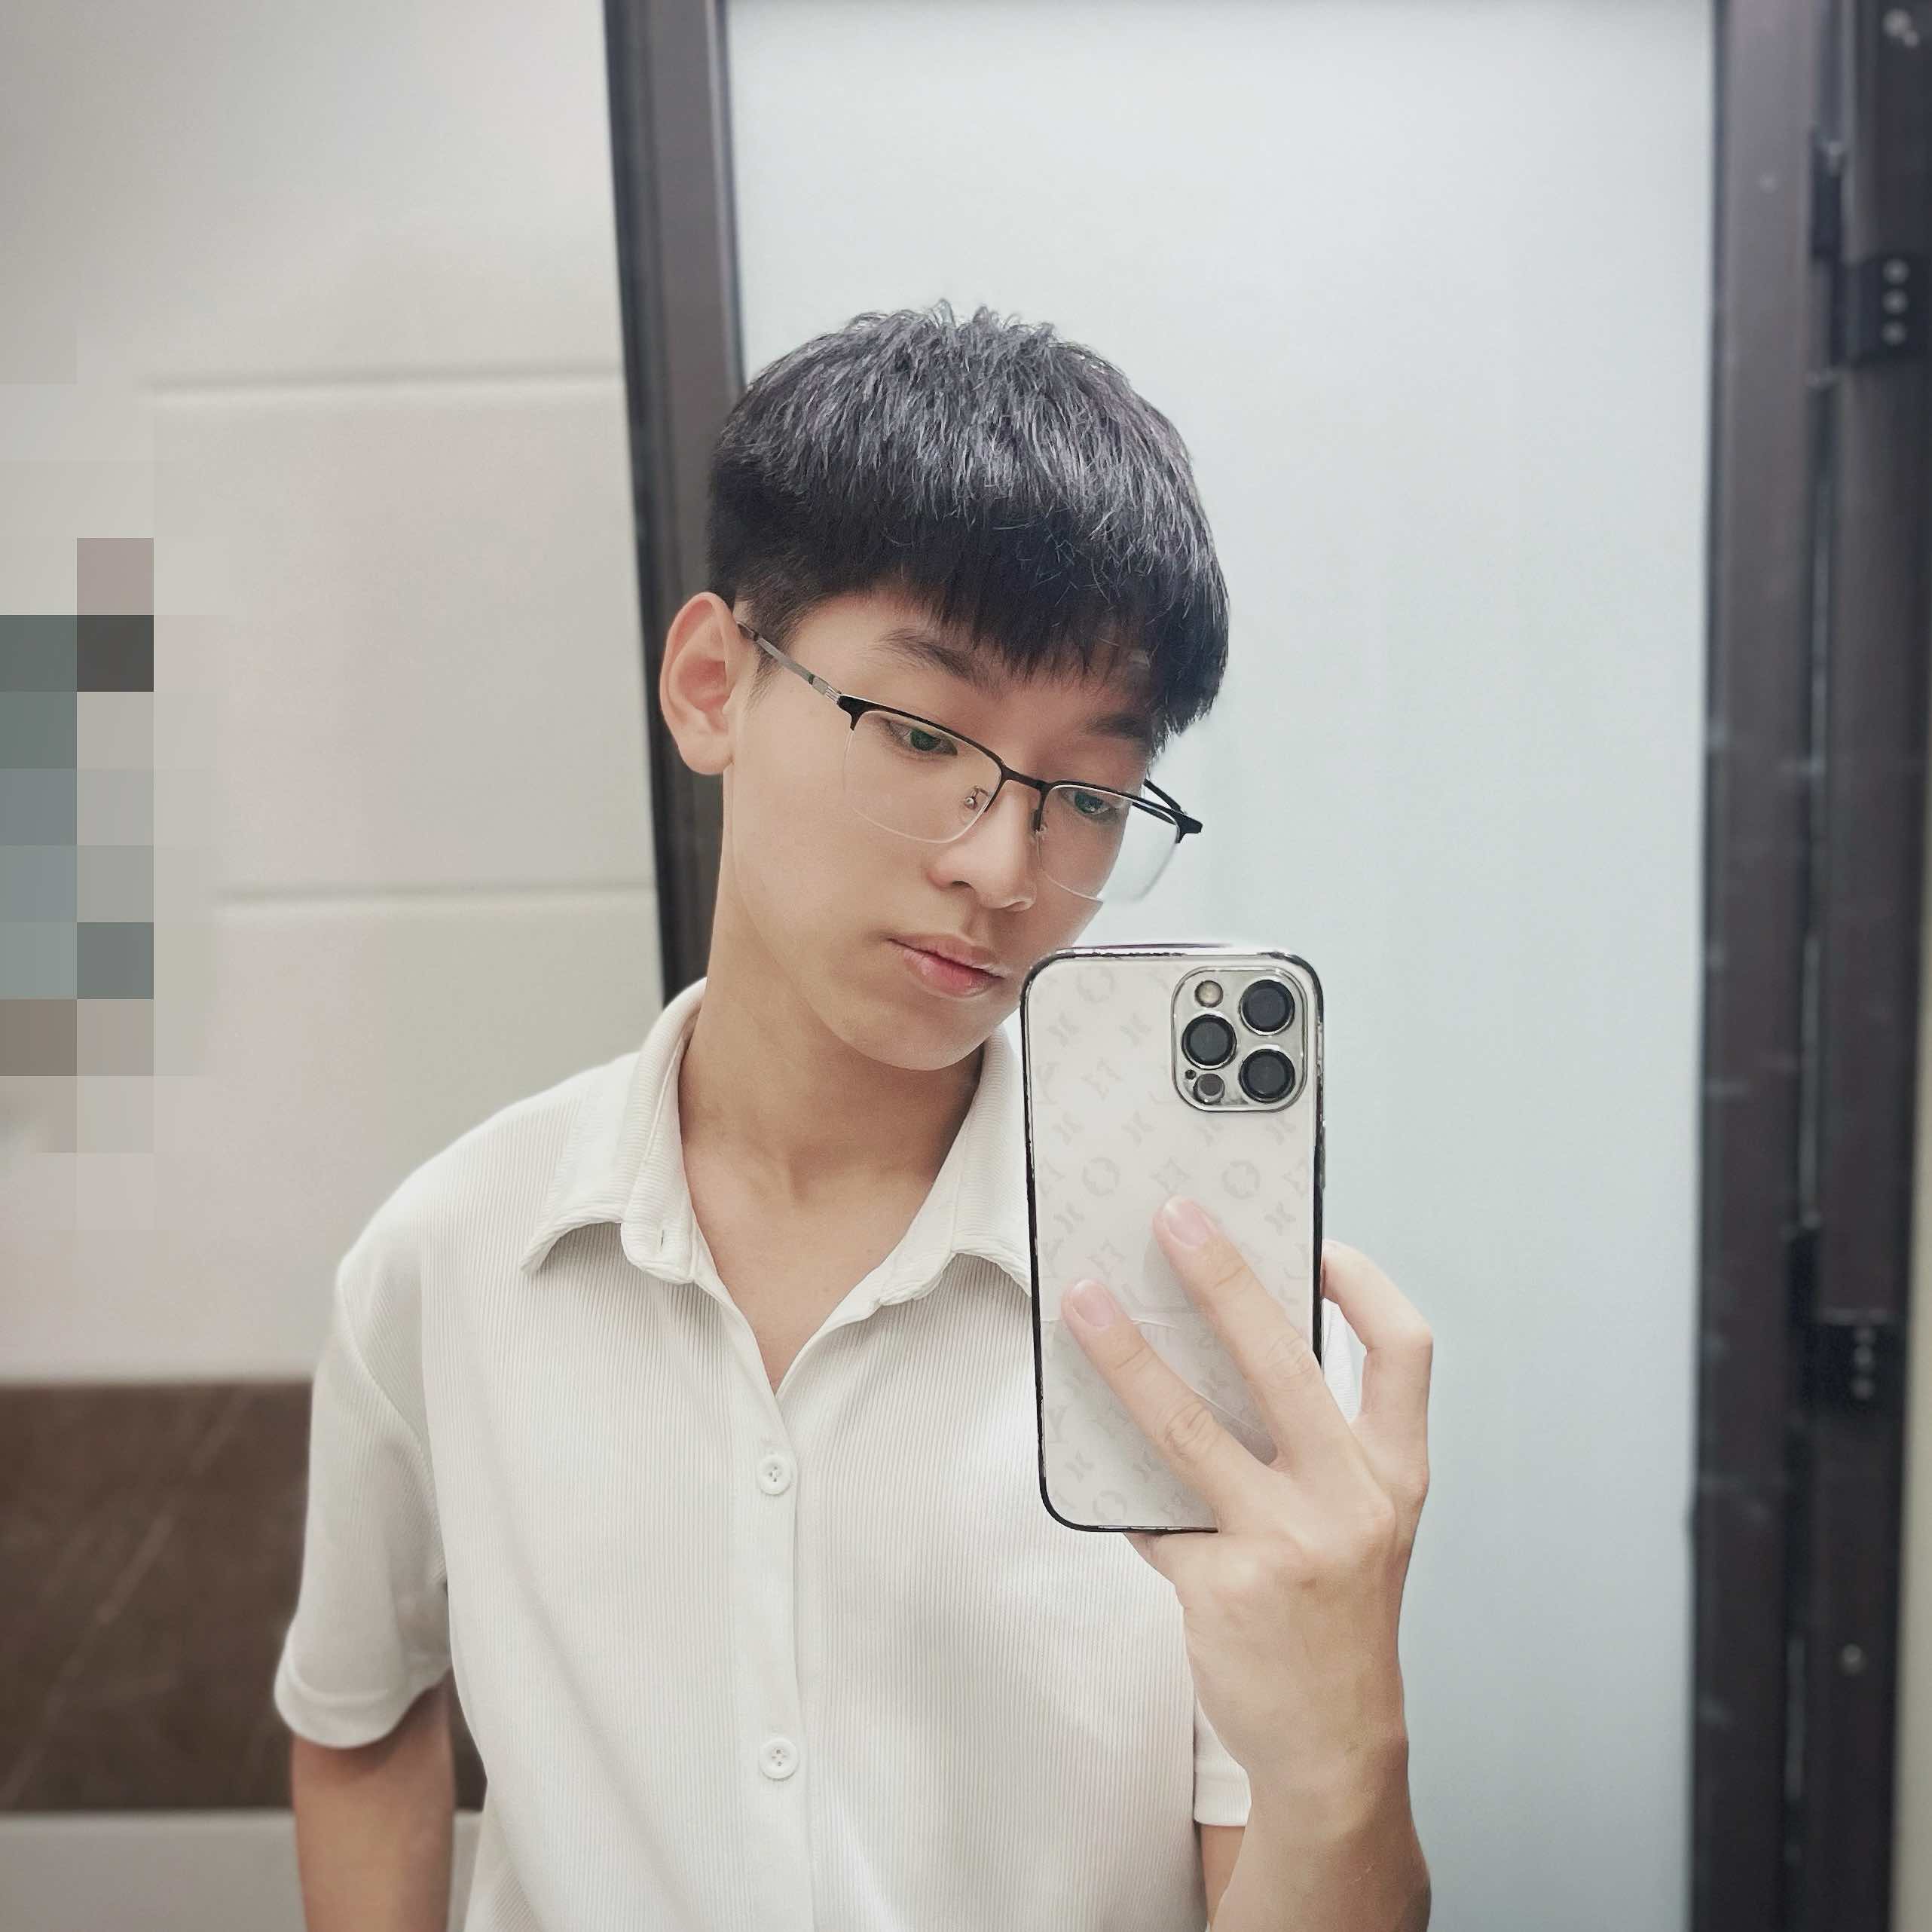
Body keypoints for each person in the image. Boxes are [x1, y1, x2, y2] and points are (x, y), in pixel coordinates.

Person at [275, 300, 1432, 1931]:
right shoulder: (450, 1254)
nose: (1002, 863)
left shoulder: (1217, 1334)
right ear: (710, 686)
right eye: (922, 732)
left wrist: (1344, 1759)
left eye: (1090, 794)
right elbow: (356, 1721)